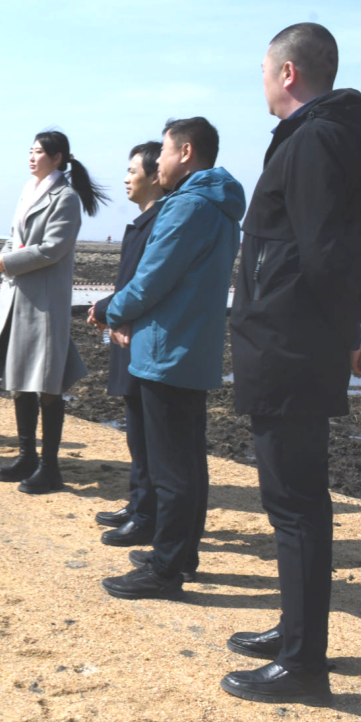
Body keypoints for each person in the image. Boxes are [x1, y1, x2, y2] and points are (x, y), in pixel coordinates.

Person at [222, 23, 361, 707]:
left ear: (287, 72)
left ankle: (302, 664)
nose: (261, 81)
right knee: (290, 502)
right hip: (291, 340)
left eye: (264, 69)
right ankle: (295, 632)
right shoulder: (326, 136)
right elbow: (347, 249)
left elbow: (326, 254)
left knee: (295, 505)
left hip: (290, 345)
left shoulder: (317, 139)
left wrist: (353, 332)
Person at [99, 117, 245, 599]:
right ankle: (181, 554)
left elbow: (151, 280)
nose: (157, 160)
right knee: (187, 463)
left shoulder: (187, 206)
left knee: (171, 469)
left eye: (162, 151)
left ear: (185, 152)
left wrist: (109, 310)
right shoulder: (218, 205)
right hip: (191, 348)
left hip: (167, 350)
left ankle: (166, 570)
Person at [0, 130, 106, 494]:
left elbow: (53, 248)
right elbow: (15, 235)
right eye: (30, 151)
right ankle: (27, 457)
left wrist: (9, 261)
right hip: (18, 297)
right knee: (20, 380)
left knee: (47, 384)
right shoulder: (30, 189)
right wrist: (4, 255)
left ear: (58, 157)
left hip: (45, 302)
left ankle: (50, 468)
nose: (31, 157)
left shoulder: (65, 197)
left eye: (38, 152)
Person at [88, 141, 166, 541]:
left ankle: (147, 514)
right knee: (135, 428)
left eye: (132, 171)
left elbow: (145, 285)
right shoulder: (142, 221)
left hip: (139, 335)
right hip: (126, 332)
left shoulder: (160, 222)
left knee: (147, 432)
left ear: (156, 176)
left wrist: (111, 311)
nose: (125, 179)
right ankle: (138, 503)